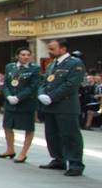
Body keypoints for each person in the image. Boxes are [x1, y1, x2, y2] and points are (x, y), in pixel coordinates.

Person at [37, 38, 86, 175]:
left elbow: (71, 84)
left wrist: (52, 97)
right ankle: (58, 159)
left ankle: (75, 163)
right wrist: (41, 94)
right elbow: (44, 82)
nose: (49, 51)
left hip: (66, 106)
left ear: (63, 49)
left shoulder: (75, 63)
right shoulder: (51, 65)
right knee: (52, 135)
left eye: (52, 48)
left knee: (70, 135)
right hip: (50, 106)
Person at [0, 48, 39, 162]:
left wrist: (18, 97)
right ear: (17, 56)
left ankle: (23, 153)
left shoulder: (34, 68)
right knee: (7, 126)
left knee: (28, 128)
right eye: (23, 54)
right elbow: (6, 83)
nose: (25, 57)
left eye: (28, 55)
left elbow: (33, 86)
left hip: (26, 102)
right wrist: (8, 96)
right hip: (11, 101)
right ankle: (10, 149)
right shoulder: (10, 67)